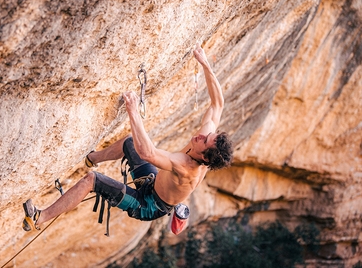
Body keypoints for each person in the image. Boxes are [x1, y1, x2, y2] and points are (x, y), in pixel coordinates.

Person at [22, 43, 233, 231]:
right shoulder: (206, 142)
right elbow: (217, 104)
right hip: (152, 183)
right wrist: (205, 63)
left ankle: (38, 218)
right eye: (208, 135)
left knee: (91, 181)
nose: (200, 136)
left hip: (148, 205)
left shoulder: (187, 168)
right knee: (129, 142)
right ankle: (92, 158)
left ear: (205, 157)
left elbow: (147, 152)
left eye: (204, 141)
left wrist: (132, 110)